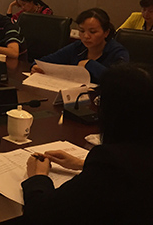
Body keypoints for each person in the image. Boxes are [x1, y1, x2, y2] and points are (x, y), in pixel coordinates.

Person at [19, 65, 153, 225]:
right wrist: (81, 164)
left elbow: (42, 214)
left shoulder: (110, 163)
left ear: (113, 112)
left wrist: (38, 177)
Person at [32, 8, 129, 82]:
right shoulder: (78, 47)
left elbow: (118, 81)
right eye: (82, 31)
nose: (86, 36)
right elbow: (44, 61)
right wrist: (36, 67)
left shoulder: (117, 52)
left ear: (106, 33)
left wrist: (90, 64)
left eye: (93, 32)